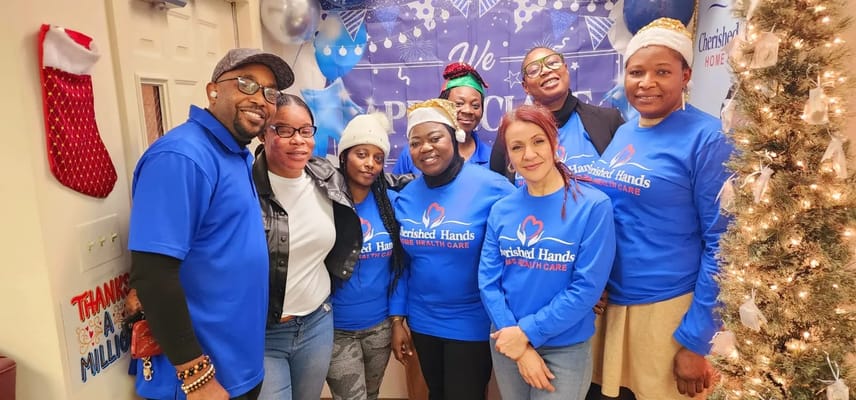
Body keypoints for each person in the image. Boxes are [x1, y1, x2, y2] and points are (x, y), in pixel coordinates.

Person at [128, 48, 294, 400]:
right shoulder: (182, 156)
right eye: (247, 83)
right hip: (198, 382)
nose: (260, 99)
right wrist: (196, 375)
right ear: (212, 90)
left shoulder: (233, 153)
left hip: (237, 367)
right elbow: (153, 274)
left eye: (270, 93)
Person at [588, 18, 733, 399]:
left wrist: (697, 339)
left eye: (662, 72)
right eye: (636, 72)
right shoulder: (625, 130)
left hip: (668, 313)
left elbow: (724, 244)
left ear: (685, 75)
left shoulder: (708, 137)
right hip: (612, 308)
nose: (646, 82)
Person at [479, 104, 616, 400]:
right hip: (507, 340)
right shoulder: (501, 210)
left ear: (554, 143)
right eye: (517, 147)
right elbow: (489, 282)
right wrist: (515, 339)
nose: (529, 154)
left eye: (538, 141)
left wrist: (526, 334)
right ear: (509, 157)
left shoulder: (593, 206)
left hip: (564, 345)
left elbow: (586, 289)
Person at [391, 99, 514, 400]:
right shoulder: (406, 196)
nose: (426, 148)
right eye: (416, 142)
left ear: (455, 137)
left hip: (471, 319)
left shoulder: (493, 187)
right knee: (437, 394)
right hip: (422, 320)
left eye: (435, 138)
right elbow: (402, 265)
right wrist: (397, 319)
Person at [253, 93, 363, 400]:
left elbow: (376, 181)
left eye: (305, 131)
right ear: (263, 133)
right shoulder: (243, 188)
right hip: (264, 333)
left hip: (316, 322)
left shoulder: (327, 177)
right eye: (284, 130)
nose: (298, 140)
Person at [324, 112, 410, 400]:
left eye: (377, 157)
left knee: (371, 395)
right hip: (336, 329)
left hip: (380, 326)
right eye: (362, 154)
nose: (370, 164)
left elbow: (399, 269)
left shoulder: (391, 203)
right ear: (345, 155)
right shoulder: (326, 202)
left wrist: (397, 322)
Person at [489, 47, 624, 185]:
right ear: (525, 87)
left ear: (566, 69)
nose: (546, 71)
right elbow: (498, 189)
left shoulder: (608, 121)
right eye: (534, 70)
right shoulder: (510, 134)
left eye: (553, 63)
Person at [394, 62, 491, 174]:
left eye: (475, 106)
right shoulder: (413, 154)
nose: (468, 111)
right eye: (459, 104)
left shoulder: (491, 158)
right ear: (443, 106)